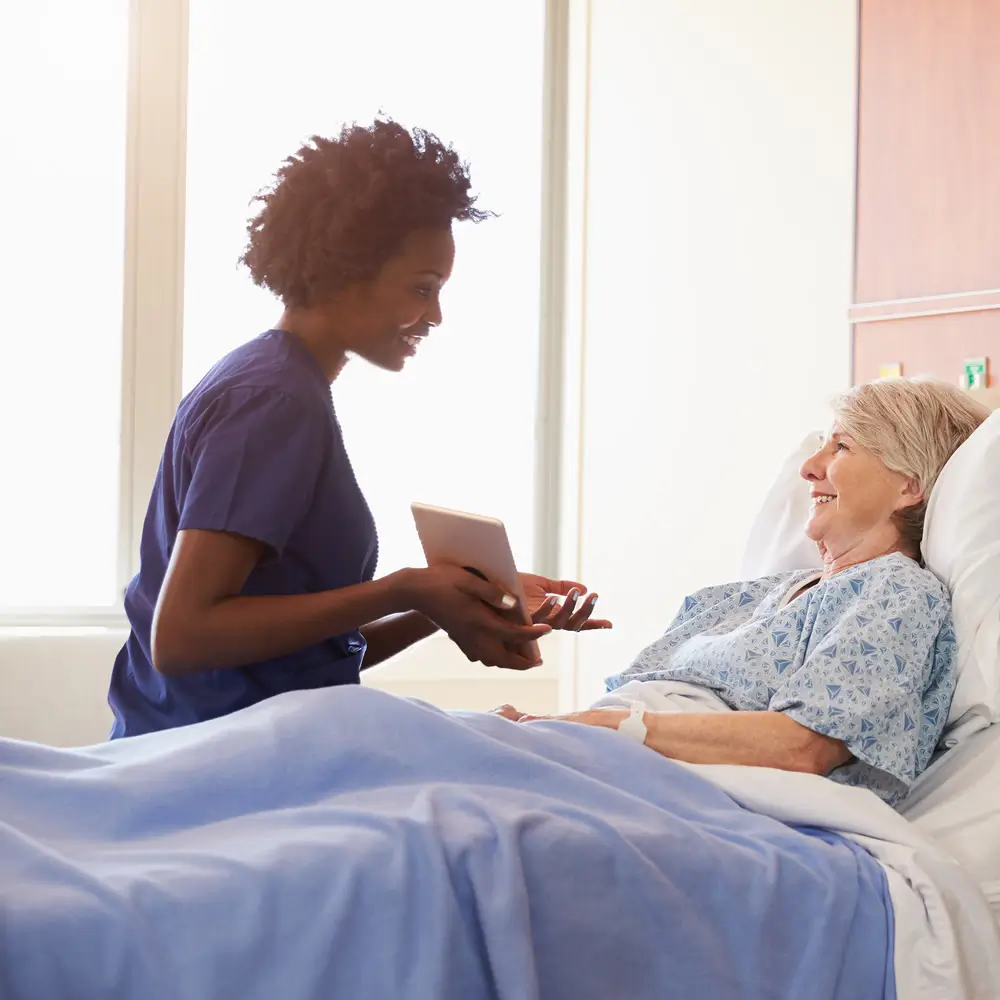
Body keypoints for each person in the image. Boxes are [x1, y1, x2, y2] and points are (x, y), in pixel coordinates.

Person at [108, 120, 610, 739]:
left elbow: (300, 658)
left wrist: (444, 603)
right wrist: (403, 587)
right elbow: (184, 638)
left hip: (228, 740)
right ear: (344, 269)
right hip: (216, 757)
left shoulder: (274, 383)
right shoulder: (274, 400)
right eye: (422, 289)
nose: (436, 315)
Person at [495, 378, 989, 806]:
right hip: (610, 761)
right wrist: (558, 728)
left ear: (909, 486)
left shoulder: (898, 593)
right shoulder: (755, 595)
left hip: (678, 786)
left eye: (841, 447)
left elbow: (805, 747)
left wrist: (590, 729)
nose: (809, 468)